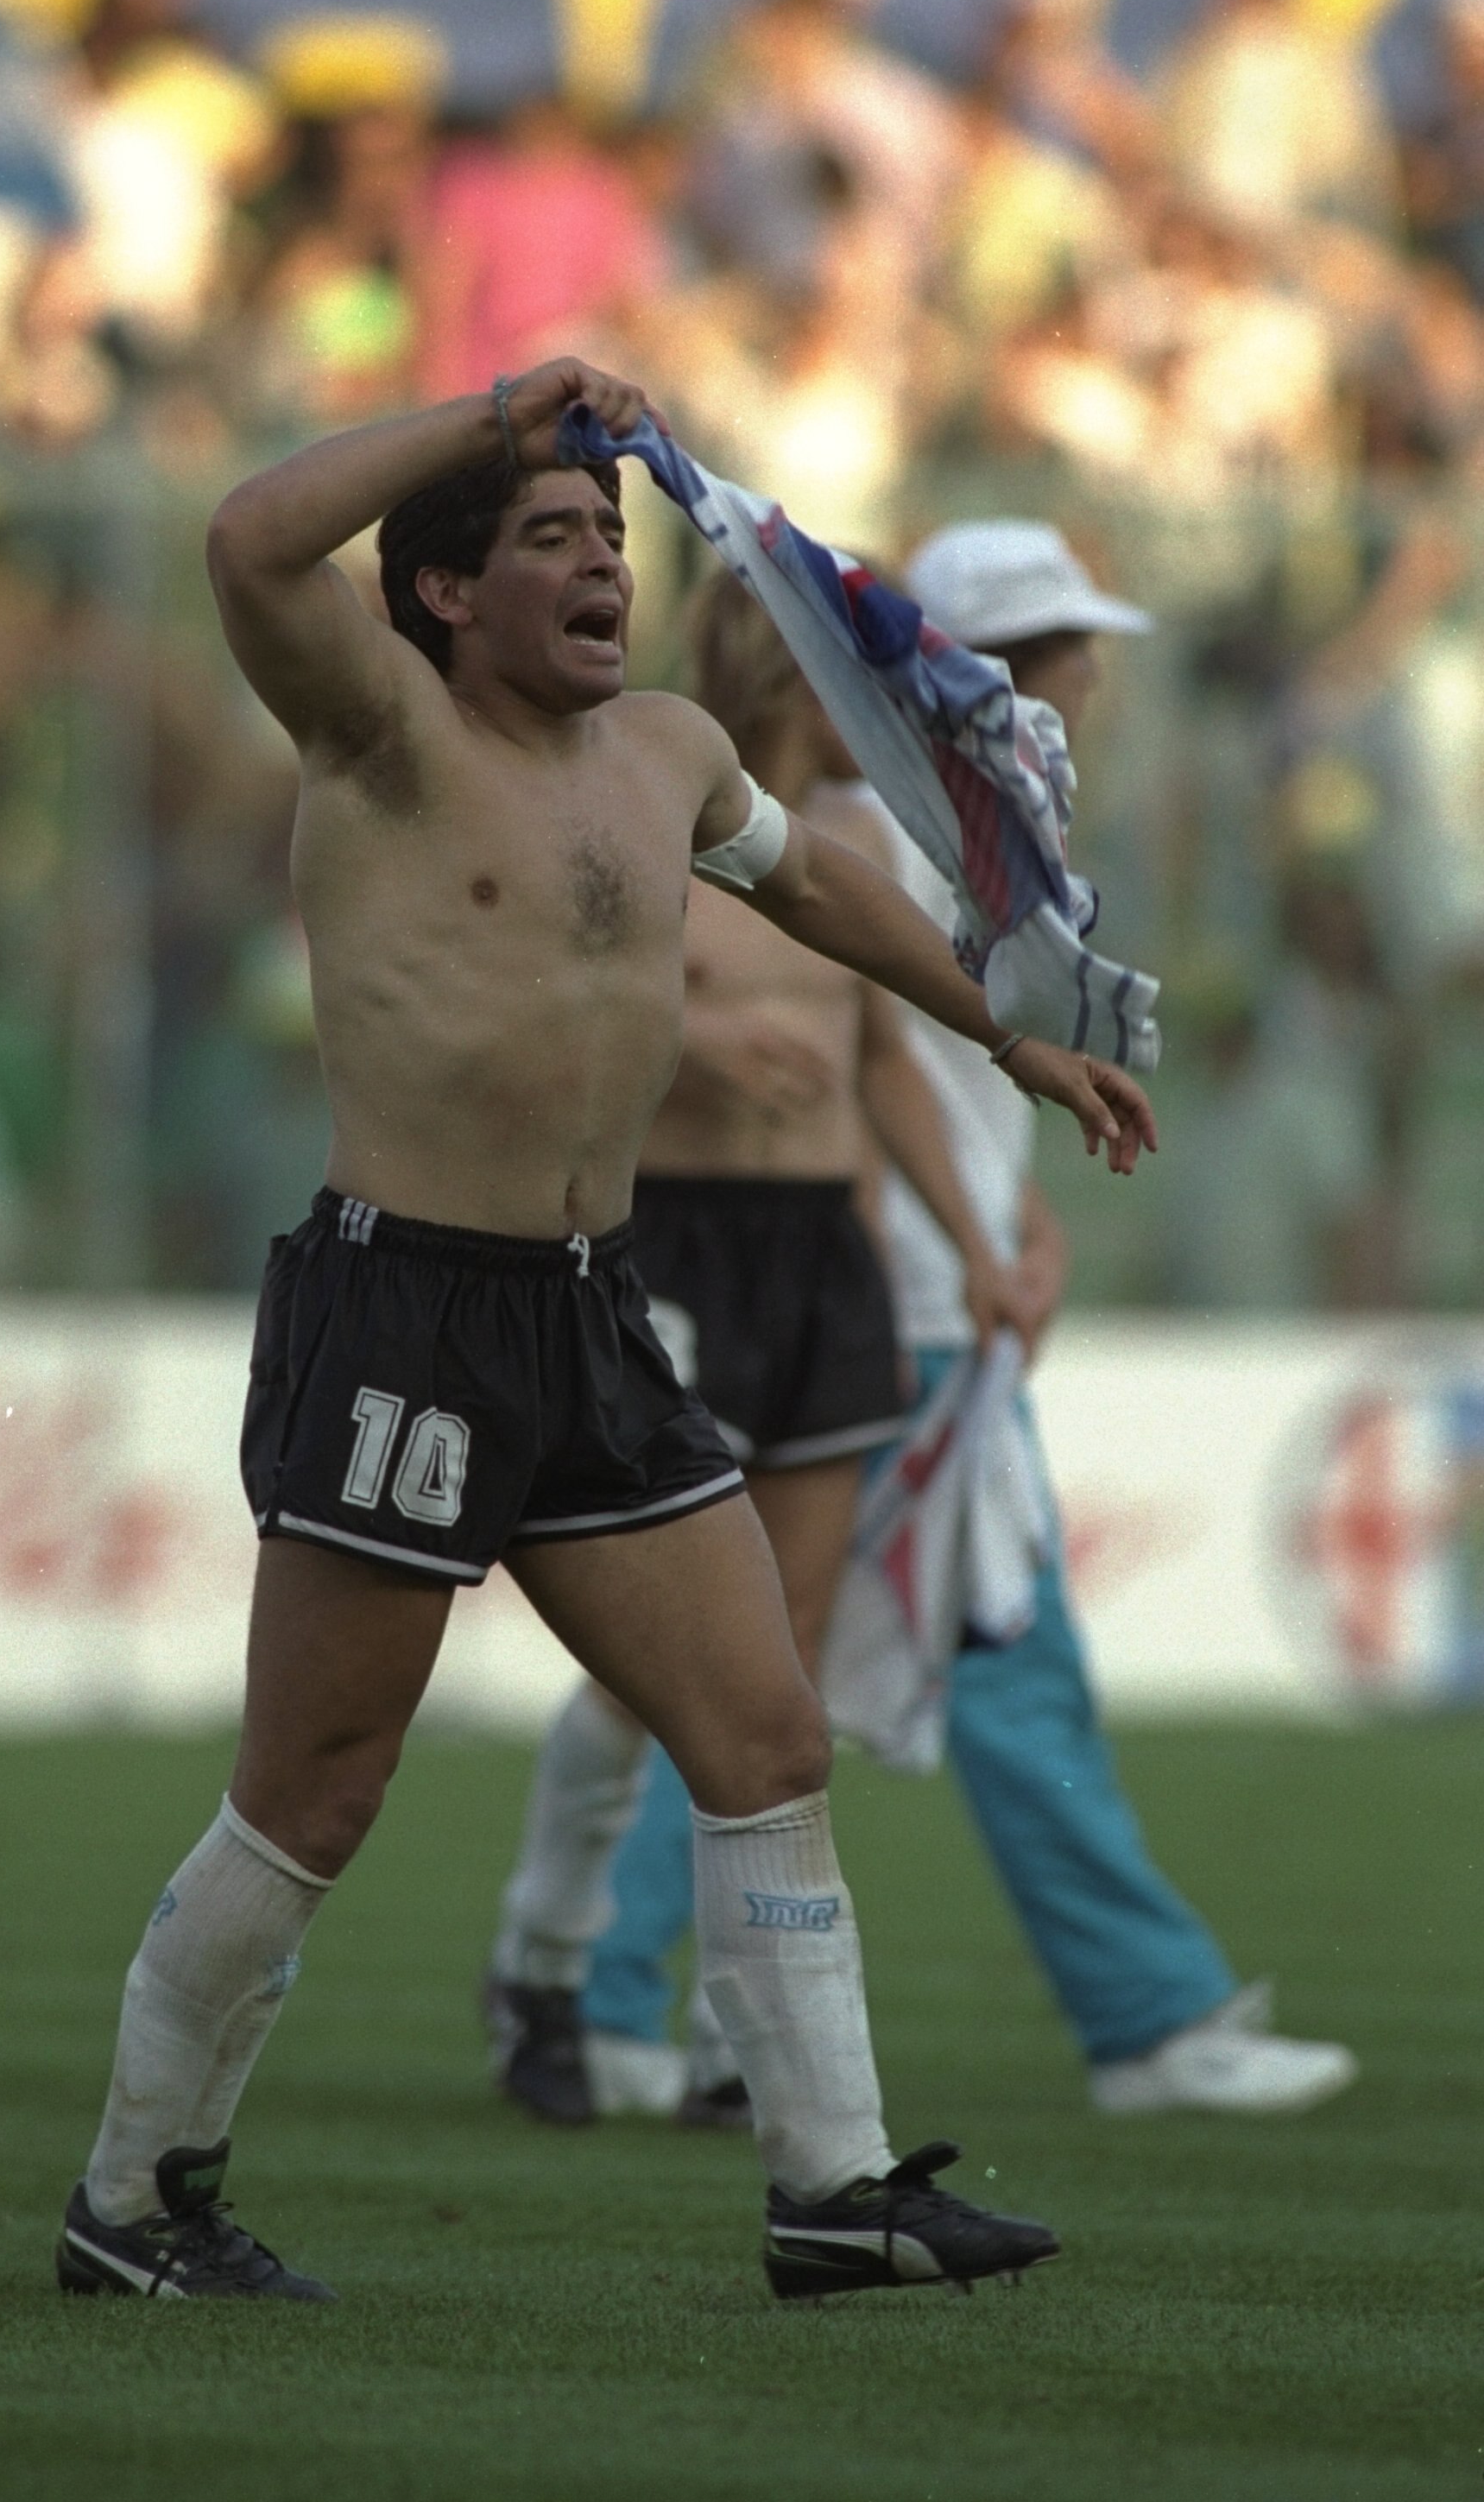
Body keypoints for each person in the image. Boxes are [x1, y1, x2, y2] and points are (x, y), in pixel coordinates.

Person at [54, 358, 1157, 2305]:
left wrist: (1009, 1033)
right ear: (448, 593)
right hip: (405, 1316)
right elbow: (247, 536)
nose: (600, 566)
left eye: (610, 537)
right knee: (312, 1793)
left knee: (761, 1732)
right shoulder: (376, 724)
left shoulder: (664, 753)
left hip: (590, 1315)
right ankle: (137, 2203)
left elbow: (814, 883)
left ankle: (831, 2190)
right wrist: (493, 413)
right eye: (549, 537)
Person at [566, 522, 1359, 2124]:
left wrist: (1021, 1225)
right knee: (989, 1668)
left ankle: (603, 1995)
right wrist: (961, 1254)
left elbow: (937, 1085)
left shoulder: (938, 828)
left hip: (935, 1300)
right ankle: (1149, 2019)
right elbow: (879, 1085)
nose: (1090, 681)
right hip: (911, 1322)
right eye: (1061, 653)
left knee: (765, 1677)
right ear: (983, 668)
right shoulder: (895, 831)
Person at [486, 566, 1030, 2124]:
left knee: (777, 1671)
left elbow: (890, 1075)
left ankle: (742, 2035)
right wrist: (701, 1034)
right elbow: (553, 1010)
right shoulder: (662, 823)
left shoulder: (856, 847)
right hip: (684, 1243)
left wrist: (977, 1247)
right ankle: (542, 1957)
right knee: (654, 1662)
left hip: (823, 1262)